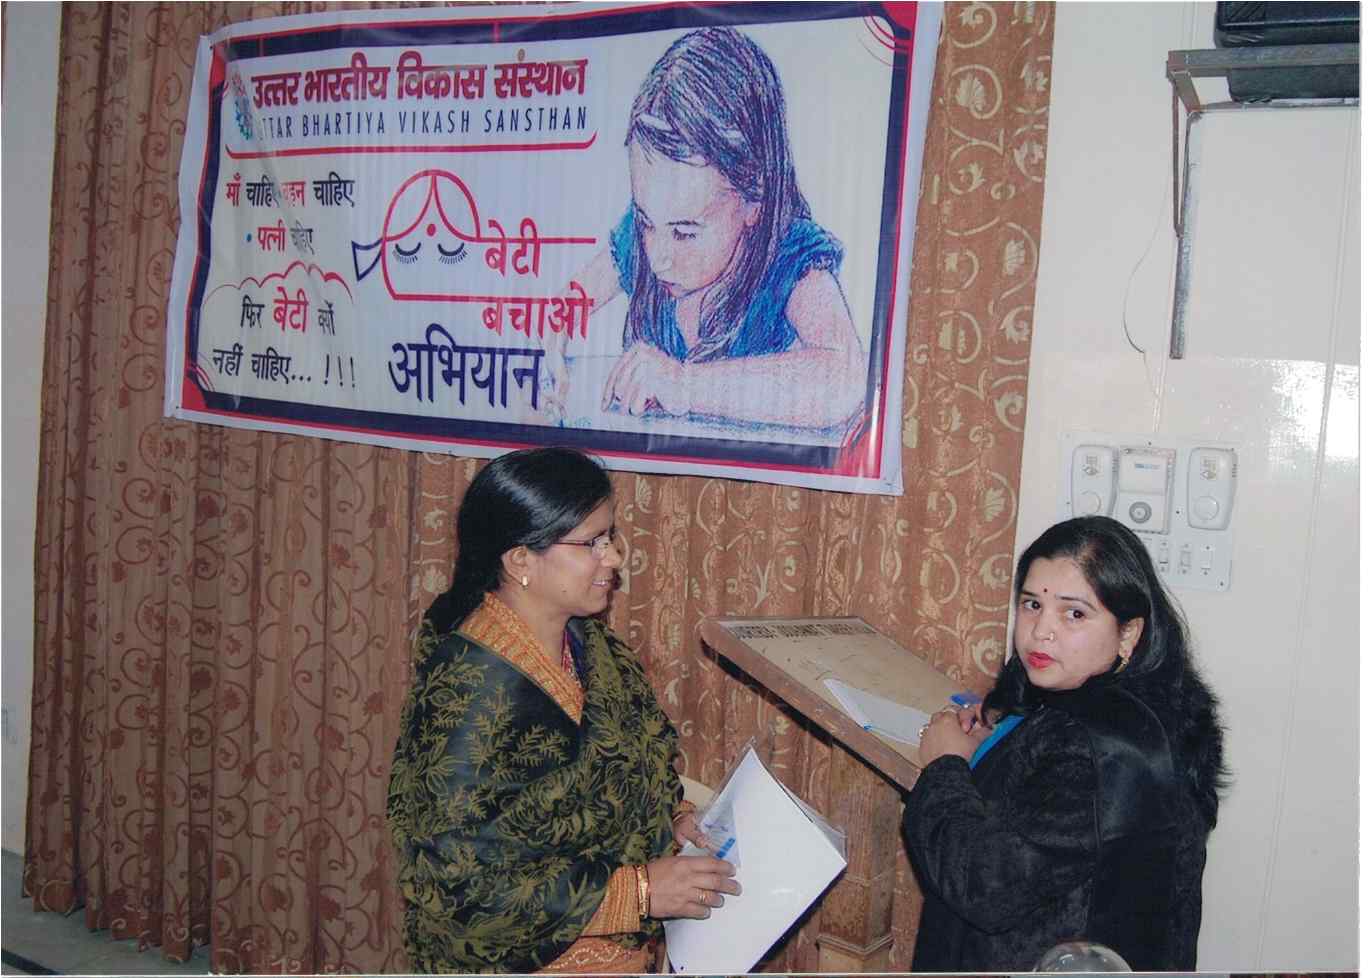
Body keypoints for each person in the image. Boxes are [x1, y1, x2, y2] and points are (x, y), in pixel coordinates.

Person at [387, 447, 740, 974]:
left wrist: (673, 821)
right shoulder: (466, 690)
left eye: (610, 537)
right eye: (591, 543)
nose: (613, 558)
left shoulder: (591, 645)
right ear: (520, 561)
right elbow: (455, 883)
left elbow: (628, 770)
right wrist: (639, 892)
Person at [901, 516, 1227, 972]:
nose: (1041, 631)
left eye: (1074, 613)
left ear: (1128, 633)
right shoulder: (1145, 707)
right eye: (1032, 604)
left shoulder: (1100, 747)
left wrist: (945, 765)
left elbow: (985, 888)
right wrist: (1000, 739)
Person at [554, 26, 865, 430]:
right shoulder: (646, 237)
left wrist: (684, 385)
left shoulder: (789, 257)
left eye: (684, 233)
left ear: (754, 198)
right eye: (646, 222)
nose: (658, 259)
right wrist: (551, 343)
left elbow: (844, 380)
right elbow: (563, 307)